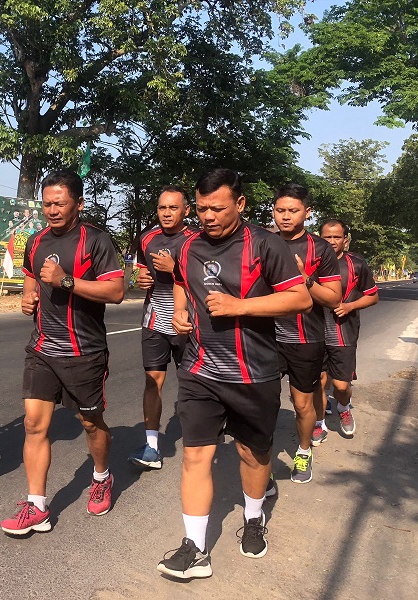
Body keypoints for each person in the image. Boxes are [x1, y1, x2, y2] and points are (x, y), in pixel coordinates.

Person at [157, 169, 311, 580]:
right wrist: (180, 311)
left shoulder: (264, 244)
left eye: (217, 208)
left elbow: (300, 298)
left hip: (253, 373)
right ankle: (195, 548)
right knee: (195, 456)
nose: (208, 216)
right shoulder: (188, 246)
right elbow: (180, 280)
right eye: (201, 208)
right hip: (199, 370)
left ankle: (254, 517)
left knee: (252, 454)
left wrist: (240, 306)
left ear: (240, 204)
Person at [0, 170, 125, 535]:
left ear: (78, 204)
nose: (52, 210)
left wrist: (65, 280)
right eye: (47, 204)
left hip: (84, 351)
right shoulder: (36, 240)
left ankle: (101, 476)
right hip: (42, 347)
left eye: (60, 203)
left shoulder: (95, 241)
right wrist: (28, 296)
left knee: (90, 423)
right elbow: (31, 274)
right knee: (34, 424)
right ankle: (37, 505)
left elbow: (116, 291)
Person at [272, 184, 342, 483]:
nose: (286, 216)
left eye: (293, 210)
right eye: (280, 210)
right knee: (263, 404)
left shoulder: (320, 248)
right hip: (266, 339)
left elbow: (334, 298)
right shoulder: (263, 242)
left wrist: (305, 280)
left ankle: (303, 452)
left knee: (301, 404)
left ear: (307, 212)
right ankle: (260, 461)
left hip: (306, 339)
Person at [128, 185, 195, 469]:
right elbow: (140, 271)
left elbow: (207, 279)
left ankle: (197, 444)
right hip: (154, 320)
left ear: (186, 210)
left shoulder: (197, 240)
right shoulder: (147, 238)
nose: (166, 213)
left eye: (173, 208)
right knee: (152, 381)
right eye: (162, 208)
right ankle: (152, 447)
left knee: (191, 384)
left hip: (187, 322)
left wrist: (175, 268)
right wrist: (140, 279)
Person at [315, 219, 379, 440]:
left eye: (337, 237)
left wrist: (350, 306)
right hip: (314, 332)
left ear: (345, 240)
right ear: (319, 238)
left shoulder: (356, 264)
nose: (332, 241)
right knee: (319, 383)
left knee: (341, 386)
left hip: (343, 333)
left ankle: (343, 407)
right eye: (327, 237)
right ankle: (319, 423)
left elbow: (373, 296)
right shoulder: (310, 263)